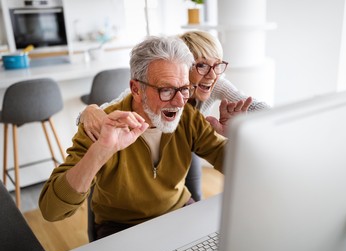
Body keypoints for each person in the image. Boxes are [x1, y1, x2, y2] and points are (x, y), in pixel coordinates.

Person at [39, 35, 241, 240]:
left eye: (184, 89)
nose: (180, 101)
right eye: (167, 90)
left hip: (179, 210)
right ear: (136, 89)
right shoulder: (103, 126)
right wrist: (101, 151)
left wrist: (238, 135)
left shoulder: (188, 117)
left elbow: (231, 162)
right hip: (122, 228)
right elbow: (51, 210)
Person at [78, 30, 270, 201]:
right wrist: (89, 110)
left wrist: (248, 128)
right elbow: (95, 116)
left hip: (187, 142)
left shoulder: (215, 84)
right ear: (183, 66)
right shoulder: (144, 94)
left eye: (217, 65)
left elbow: (257, 107)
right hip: (149, 147)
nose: (212, 75)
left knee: (192, 195)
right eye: (202, 65)